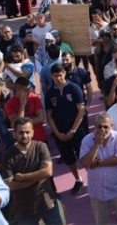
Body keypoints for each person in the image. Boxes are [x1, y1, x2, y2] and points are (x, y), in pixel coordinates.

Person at [1, 117, 62, 224]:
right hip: (24, 210)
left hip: (48, 203)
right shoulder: (7, 156)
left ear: (33, 133)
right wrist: (39, 176)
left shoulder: (41, 147)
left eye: (27, 132)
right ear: (14, 134)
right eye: (21, 132)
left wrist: (22, 177)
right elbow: (11, 185)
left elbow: (48, 172)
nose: (24, 135)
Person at [79, 113, 117, 224]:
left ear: (111, 126)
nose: (102, 130)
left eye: (106, 126)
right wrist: (97, 144)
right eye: (99, 126)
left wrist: (98, 162)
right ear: (94, 126)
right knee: (101, 222)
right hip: (97, 190)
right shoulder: (87, 140)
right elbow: (86, 162)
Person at [45, 63, 86, 195]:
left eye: (60, 75)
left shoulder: (74, 88)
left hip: (76, 131)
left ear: (64, 73)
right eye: (55, 76)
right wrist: (57, 133)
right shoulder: (50, 93)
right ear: (51, 76)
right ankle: (78, 179)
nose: (58, 78)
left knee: (84, 156)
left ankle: (93, 178)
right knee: (68, 158)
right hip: (60, 134)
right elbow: (49, 115)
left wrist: (72, 131)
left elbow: (81, 111)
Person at [4, 77, 46, 143]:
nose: (29, 91)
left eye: (29, 88)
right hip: (23, 141)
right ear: (18, 90)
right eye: (26, 90)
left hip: (40, 138)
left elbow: (40, 118)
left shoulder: (35, 97)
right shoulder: (9, 104)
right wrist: (22, 105)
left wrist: (22, 124)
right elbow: (16, 124)